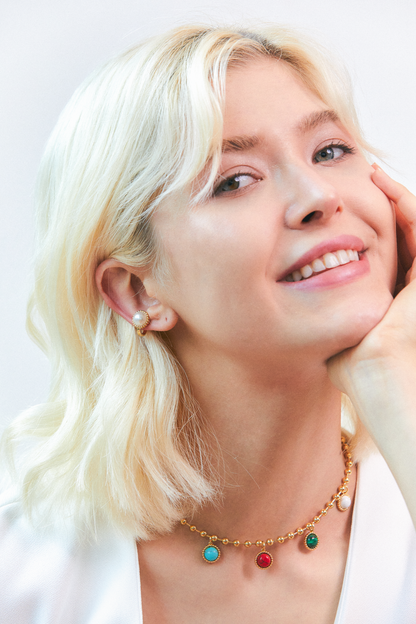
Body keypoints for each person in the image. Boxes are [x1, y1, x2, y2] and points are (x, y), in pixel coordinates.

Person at [1, 23, 416, 624]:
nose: (319, 195)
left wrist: (391, 371)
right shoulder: (24, 571)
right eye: (233, 180)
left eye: (330, 150)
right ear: (136, 289)